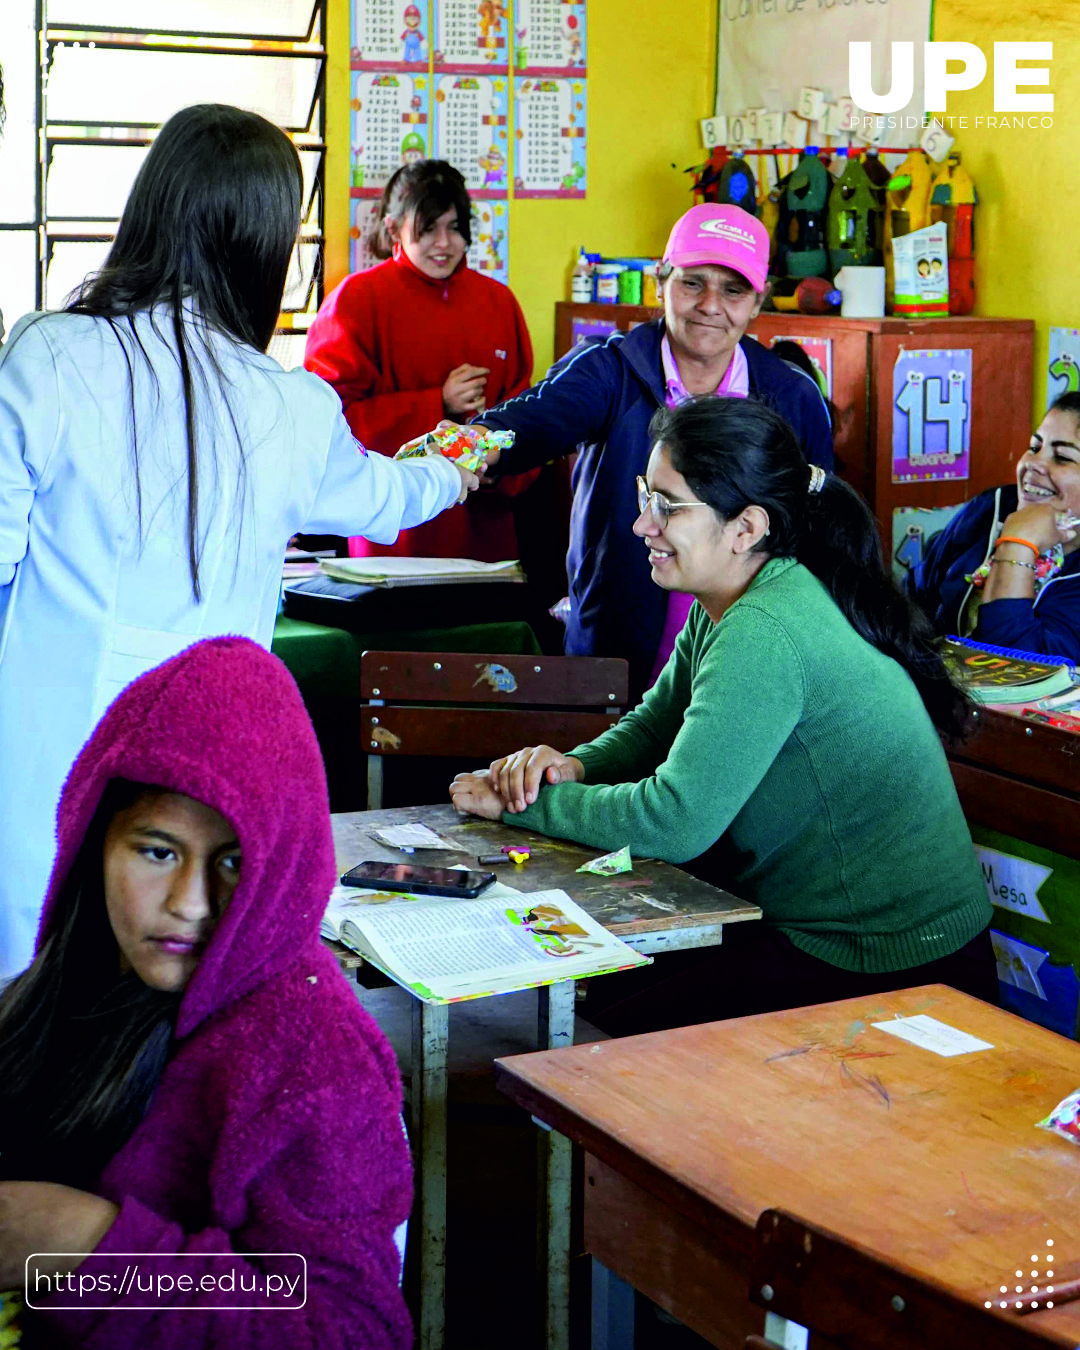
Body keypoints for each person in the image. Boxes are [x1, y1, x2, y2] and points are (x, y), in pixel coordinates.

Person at [0, 104, 478, 981]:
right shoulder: (288, 404)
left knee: (31, 1013)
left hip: (40, 769)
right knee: (176, 1016)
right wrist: (455, 464)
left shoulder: (48, 354)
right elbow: (385, 499)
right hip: (206, 780)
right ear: (265, 242)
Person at [450, 397, 995, 1037]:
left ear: (746, 528)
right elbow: (654, 729)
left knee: (596, 1037)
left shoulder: (764, 631)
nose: (641, 526)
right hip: (828, 929)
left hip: (888, 958)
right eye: (644, 496)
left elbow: (675, 819)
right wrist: (568, 769)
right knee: (592, 1002)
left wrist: (519, 805)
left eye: (668, 507)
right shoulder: (741, 599)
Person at [0, 636, 412, 1347]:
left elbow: (352, 1329)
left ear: (285, 869)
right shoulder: (76, 979)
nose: (190, 904)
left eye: (232, 862)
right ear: (93, 843)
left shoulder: (318, 1063)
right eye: (157, 852)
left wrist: (83, 1247)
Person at [472, 203, 834, 695]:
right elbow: (523, 425)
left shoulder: (790, 395)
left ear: (758, 301)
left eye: (733, 290)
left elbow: (816, 532)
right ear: (661, 281)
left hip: (748, 661)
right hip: (613, 659)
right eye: (692, 283)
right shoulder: (611, 370)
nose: (711, 304)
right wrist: (457, 452)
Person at [304, 159, 536, 564]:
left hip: (487, 536)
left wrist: (497, 465)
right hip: (393, 539)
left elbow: (530, 417)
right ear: (393, 228)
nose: (444, 243)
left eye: (455, 228)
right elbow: (329, 424)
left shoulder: (499, 302)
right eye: (428, 229)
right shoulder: (355, 301)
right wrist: (436, 404)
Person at [905, 392, 1080, 660]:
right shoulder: (991, 508)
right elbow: (913, 600)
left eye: (1063, 457)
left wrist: (1018, 545)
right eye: (1034, 447)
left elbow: (1013, 673)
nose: (1033, 464)